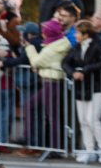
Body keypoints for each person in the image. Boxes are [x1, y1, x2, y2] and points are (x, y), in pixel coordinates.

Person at [63, 20, 101, 163]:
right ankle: (89, 150)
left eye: (78, 32)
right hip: (82, 87)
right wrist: (73, 73)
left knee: (93, 119)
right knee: (83, 120)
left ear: (85, 34)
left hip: (97, 86)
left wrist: (84, 70)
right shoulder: (77, 47)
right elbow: (65, 62)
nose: (75, 35)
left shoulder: (98, 45)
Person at [24, 19, 73, 151]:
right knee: (31, 106)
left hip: (52, 84)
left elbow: (36, 62)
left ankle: (55, 147)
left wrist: (29, 48)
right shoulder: (56, 44)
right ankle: (28, 137)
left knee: (52, 117)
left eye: (44, 31)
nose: (42, 34)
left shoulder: (53, 49)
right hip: (49, 82)